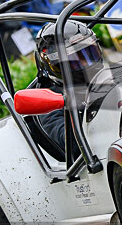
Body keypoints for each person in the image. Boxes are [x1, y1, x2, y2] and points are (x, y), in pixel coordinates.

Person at [33, 21, 104, 151]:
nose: (84, 66)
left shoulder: (108, 76)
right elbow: (72, 145)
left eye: (89, 55)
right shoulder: (49, 102)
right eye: (72, 62)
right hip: (94, 156)